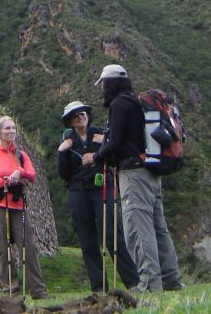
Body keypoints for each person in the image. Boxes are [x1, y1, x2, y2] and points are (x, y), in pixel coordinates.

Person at [82, 64, 182, 293]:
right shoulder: (136, 103)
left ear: (109, 84)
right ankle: (171, 280)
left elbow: (115, 142)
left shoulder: (119, 105)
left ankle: (149, 283)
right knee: (159, 228)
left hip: (133, 174)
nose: (102, 89)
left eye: (103, 84)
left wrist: (95, 157)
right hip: (151, 172)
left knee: (138, 227)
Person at [57, 100, 139, 292]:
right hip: (78, 190)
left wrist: (104, 146)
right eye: (76, 115)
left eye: (83, 113)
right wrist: (61, 152)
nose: (81, 116)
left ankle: (133, 283)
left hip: (102, 186)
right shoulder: (67, 141)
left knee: (112, 233)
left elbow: (113, 159)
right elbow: (63, 173)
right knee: (87, 239)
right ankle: (99, 288)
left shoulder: (100, 134)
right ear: (70, 121)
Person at [0, 115, 49, 299]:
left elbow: (32, 175)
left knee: (29, 246)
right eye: (7, 129)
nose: (12, 131)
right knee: (3, 248)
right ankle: (10, 291)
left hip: (19, 206)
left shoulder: (21, 155)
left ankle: (38, 290)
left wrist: (20, 172)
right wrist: (6, 180)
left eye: (13, 128)